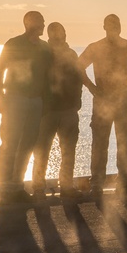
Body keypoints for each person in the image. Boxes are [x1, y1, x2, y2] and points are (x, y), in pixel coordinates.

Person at [78, 14, 127, 201]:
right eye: (110, 24)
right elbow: (77, 66)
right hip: (103, 101)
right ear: (104, 26)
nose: (113, 27)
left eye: (116, 24)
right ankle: (97, 185)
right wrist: (92, 88)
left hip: (124, 101)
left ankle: (123, 183)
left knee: (124, 144)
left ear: (120, 27)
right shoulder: (95, 47)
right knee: (100, 144)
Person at [0, 11, 52, 205]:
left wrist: (44, 101)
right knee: (10, 143)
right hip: (15, 100)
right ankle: (4, 189)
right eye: (40, 22)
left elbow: (49, 76)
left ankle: (17, 187)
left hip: (35, 101)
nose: (43, 25)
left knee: (27, 145)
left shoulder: (45, 48)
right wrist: (0, 97)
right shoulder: (14, 44)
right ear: (29, 23)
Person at [32, 22, 91, 201]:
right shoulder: (43, 54)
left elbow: (78, 78)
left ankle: (61, 186)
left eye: (62, 32)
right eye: (57, 32)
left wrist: (77, 101)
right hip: (50, 111)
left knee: (64, 150)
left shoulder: (69, 54)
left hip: (65, 110)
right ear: (50, 35)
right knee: (45, 150)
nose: (60, 35)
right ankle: (41, 187)